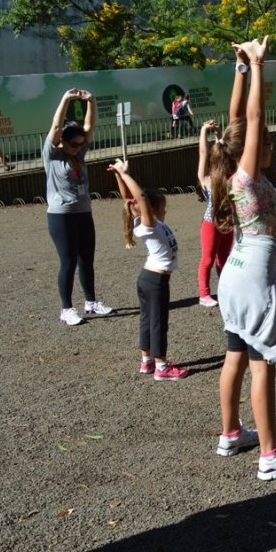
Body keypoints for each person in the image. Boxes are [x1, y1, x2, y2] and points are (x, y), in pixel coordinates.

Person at [210, 37, 276, 480]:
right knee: (261, 364)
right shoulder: (248, 178)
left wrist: (238, 70)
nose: (265, 145)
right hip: (253, 275)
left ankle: (231, 433)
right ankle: (270, 455)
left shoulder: (229, 171)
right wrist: (257, 64)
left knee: (234, 355)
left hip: (233, 274)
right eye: (263, 142)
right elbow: (251, 117)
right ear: (253, 148)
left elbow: (236, 121)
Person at [108, 159, 186, 381]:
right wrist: (124, 173)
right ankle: (161, 367)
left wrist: (119, 175)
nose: (165, 209)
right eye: (163, 206)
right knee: (157, 322)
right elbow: (140, 198)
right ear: (151, 209)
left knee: (146, 320)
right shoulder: (149, 224)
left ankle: (147, 362)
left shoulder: (144, 223)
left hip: (148, 278)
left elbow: (129, 199)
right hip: (155, 281)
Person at [44, 88, 113, 326]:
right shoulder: (52, 155)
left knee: (87, 259)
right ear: (62, 141)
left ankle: (91, 303)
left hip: (84, 212)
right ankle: (66, 309)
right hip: (61, 215)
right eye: (73, 143)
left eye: (80, 144)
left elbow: (89, 126)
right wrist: (65, 99)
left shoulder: (79, 154)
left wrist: (91, 101)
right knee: (69, 261)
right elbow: (55, 127)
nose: (78, 147)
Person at [196, 119, 234, 308]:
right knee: (208, 259)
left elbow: (224, 150)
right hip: (211, 224)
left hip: (227, 223)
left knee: (224, 259)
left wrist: (217, 132)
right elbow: (203, 154)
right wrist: (205, 130)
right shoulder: (208, 180)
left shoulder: (231, 178)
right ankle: (204, 294)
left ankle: (225, 289)